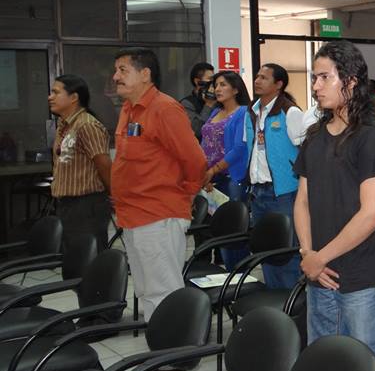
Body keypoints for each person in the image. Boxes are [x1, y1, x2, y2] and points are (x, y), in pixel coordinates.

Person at [292, 40, 375, 371]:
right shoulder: (314, 137)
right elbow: (303, 202)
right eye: (314, 78)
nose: (315, 86)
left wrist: (318, 257)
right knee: (328, 366)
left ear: (351, 82)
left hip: (362, 277)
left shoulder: (373, 136)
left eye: (325, 77)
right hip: (319, 275)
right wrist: (308, 254)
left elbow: (372, 214)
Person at [111, 47, 207, 321]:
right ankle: (159, 351)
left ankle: (175, 355)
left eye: (122, 70)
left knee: (164, 291)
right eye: (116, 70)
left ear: (145, 74)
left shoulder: (164, 108)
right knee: (146, 290)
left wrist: (185, 195)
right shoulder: (129, 110)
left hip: (158, 216)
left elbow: (195, 159)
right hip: (133, 215)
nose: (115, 76)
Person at [245, 63, 305, 289]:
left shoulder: (290, 112)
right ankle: (273, 297)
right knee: (266, 250)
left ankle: (292, 301)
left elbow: (305, 149)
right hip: (258, 191)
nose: (257, 81)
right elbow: (251, 149)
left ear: (278, 85)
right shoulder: (251, 112)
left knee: (287, 250)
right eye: (257, 76)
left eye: (264, 78)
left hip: (284, 192)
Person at [49, 74, 112, 252]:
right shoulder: (65, 125)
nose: (50, 97)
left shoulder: (87, 125)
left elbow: (104, 165)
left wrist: (115, 197)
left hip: (87, 206)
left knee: (89, 263)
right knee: (73, 263)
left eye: (56, 92)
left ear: (74, 97)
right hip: (68, 205)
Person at [199, 70, 252, 270]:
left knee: (233, 230)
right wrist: (205, 172)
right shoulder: (215, 112)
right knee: (218, 229)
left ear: (236, 89)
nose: (217, 89)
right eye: (216, 85)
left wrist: (213, 171)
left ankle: (238, 275)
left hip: (231, 177)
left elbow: (239, 148)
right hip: (211, 177)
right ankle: (229, 274)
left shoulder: (243, 113)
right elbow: (206, 143)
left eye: (222, 84)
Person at [180, 62, 215, 142]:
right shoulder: (187, 103)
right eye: (210, 79)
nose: (213, 83)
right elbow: (197, 130)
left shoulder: (217, 100)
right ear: (197, 81)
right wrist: (208, 105)